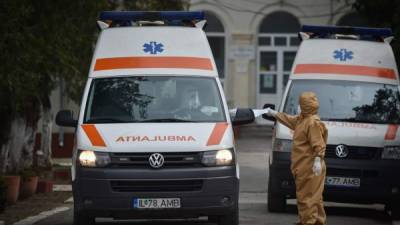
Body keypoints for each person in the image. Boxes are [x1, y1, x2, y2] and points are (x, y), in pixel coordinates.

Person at [265, 92, 328, 225]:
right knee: (314, 198)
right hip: (304, 167)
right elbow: (288, 119)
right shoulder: (302, 120)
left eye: (301, 105)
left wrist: (317, 159)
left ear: (306, 106)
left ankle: (308, 222)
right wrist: (274, 113)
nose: (298, 107)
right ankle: (316, 222)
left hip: (310, 167)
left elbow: (319, 144)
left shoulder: (312, 123)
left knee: (307, 198)